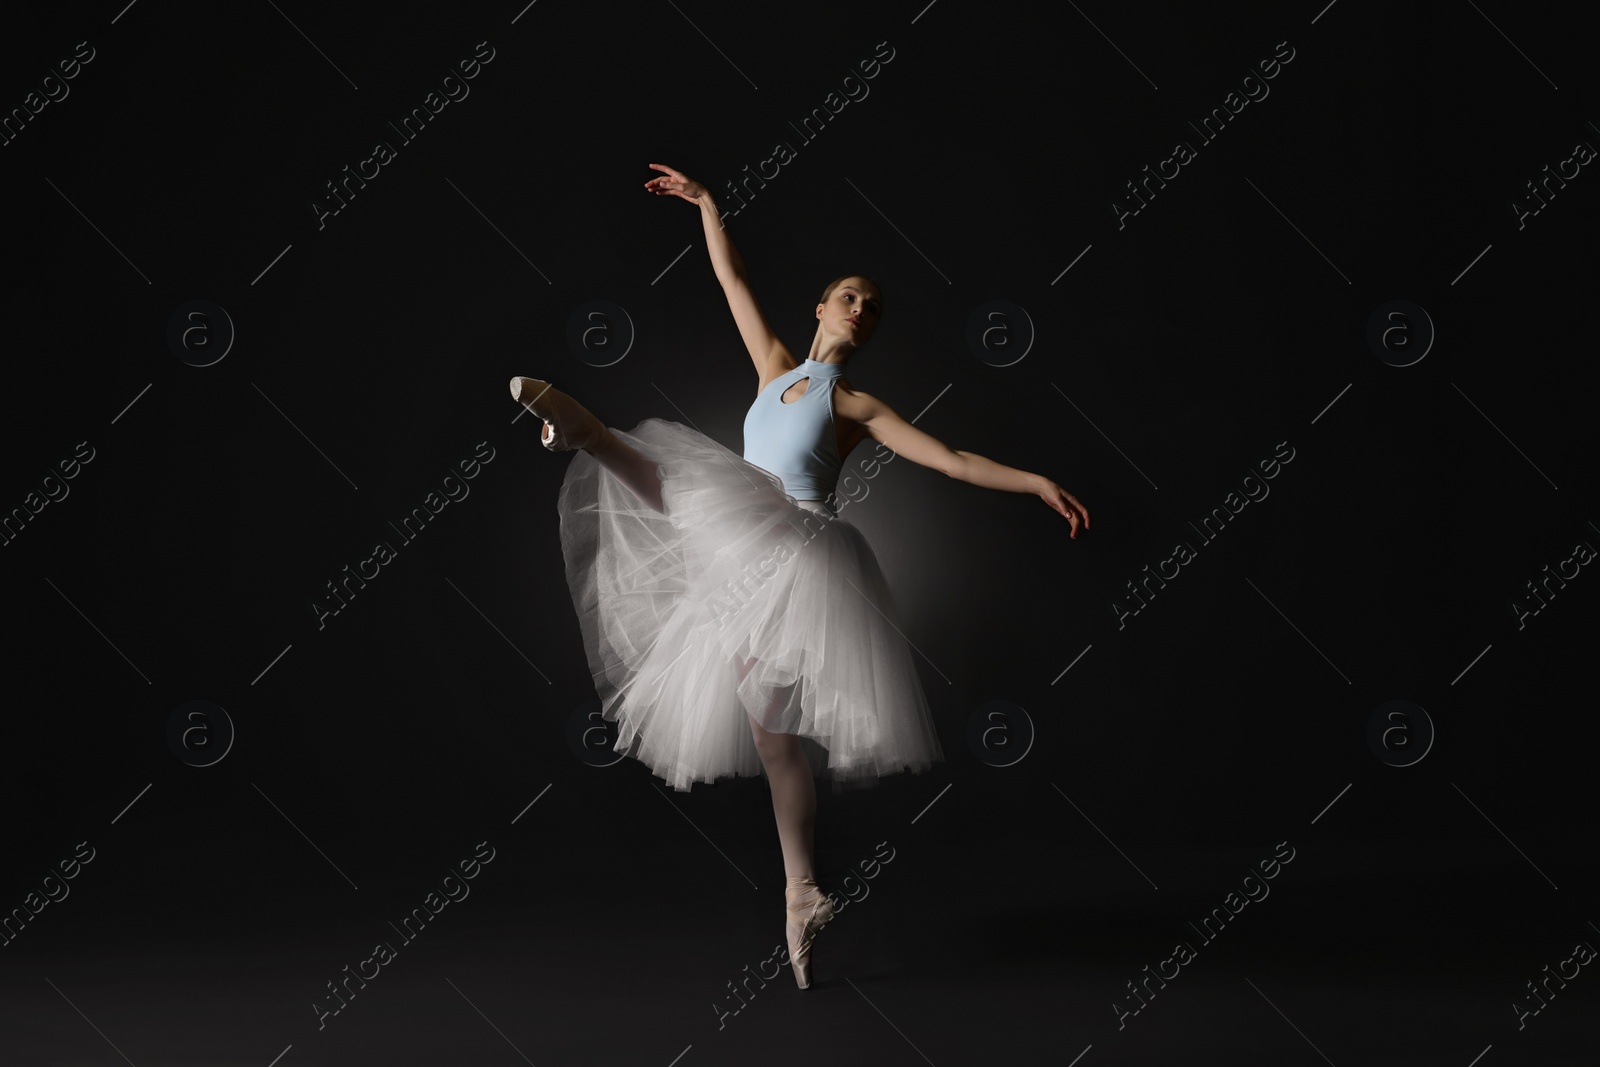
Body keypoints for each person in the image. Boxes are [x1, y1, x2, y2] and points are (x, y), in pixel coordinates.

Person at [510, 163, 1090, 989]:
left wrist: (1033, 480)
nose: (863, 309)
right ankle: (803, 889)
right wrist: (708, 204)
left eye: (874, 309)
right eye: (851, 296)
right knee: (759, 708)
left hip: (797, 545)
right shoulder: (775, 364)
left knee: (772, 729)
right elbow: (731, 277)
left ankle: (800, 891)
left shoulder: (856, 405)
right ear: (821, 307)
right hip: (740, 531)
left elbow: (954, 462)